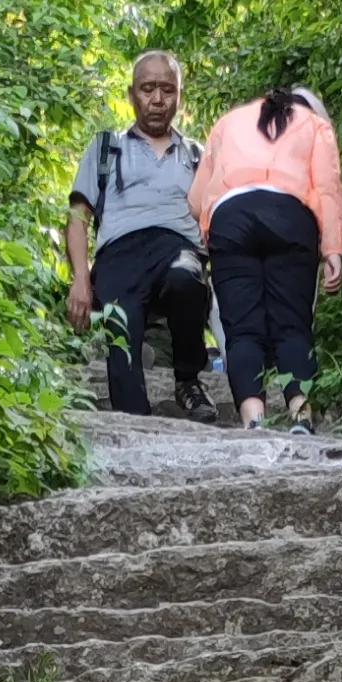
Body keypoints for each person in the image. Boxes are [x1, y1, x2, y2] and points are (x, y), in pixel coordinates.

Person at [188, 67, 342, 424]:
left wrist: (210, 226)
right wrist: (333, 251)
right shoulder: (314, 126)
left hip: (231, 218)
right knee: (292, 325)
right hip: (290, 217)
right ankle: (300, 414)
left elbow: (197, 199)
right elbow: (327, 189)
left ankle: (253, 421)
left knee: (242, 330)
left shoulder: (229, 122)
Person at [65, 51, 213, 416]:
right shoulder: (106, 148)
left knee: (188, 280)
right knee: (122, 330)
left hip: (178, 247)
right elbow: (78, 218)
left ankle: (188, 380)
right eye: (148, 89)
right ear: (132, 95)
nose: (158, 99)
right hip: (120, 254)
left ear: (179, 96)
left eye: (167, 89)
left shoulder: (197, 155)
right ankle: (135, 422)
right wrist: (81, 279)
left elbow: (216, 222)